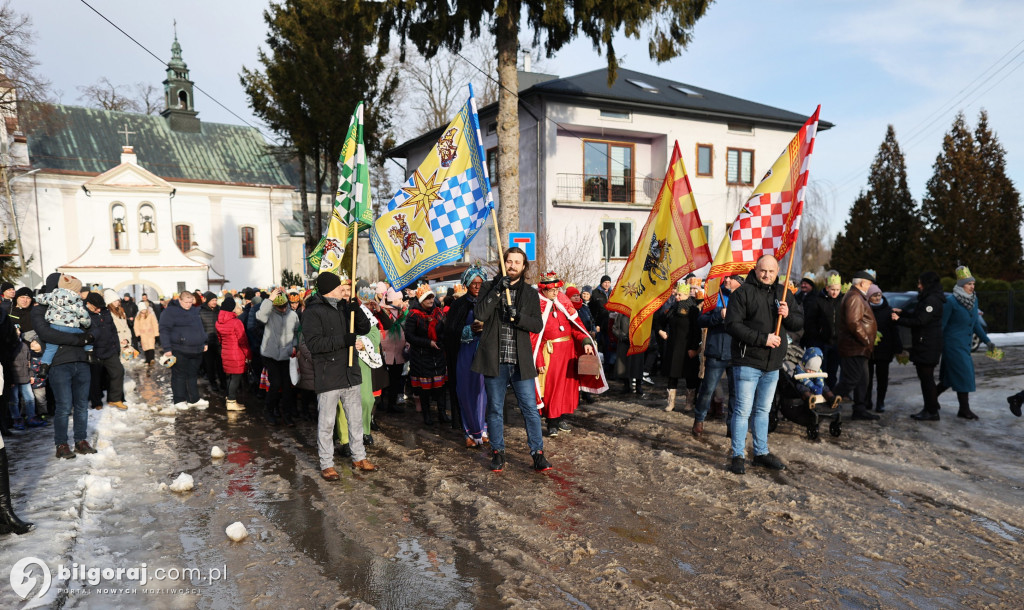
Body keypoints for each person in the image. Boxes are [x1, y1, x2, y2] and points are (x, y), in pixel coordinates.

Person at [472, 247, 550, 472]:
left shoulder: (530, 293)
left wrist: (519, 318)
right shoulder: (488, 287)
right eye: (509, 261)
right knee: (495, 409)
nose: (513, 265)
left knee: (530, 409)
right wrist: (498, 290)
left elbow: (537, 324)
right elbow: (480, 315)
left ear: (524, 266)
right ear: (503, 263)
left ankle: (538, 453)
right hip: (495, 360)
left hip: (520, 362)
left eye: (518, 262)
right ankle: (497, 452)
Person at [724, 255, 802, 475]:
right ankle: (738, 455)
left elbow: (798, 322)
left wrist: (787, 315)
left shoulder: (783, 292)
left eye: (771, 271)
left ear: (777, 271)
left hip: (773, 364)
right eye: (762, 271)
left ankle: (760, 453)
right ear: (755, 269)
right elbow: (732, 325)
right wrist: (762, 339)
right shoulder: (743, 293)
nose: (767, 275)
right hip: (748, 360)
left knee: (763, 411)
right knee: (742, 410)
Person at [303, 271, 375, 481]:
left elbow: (364, 327)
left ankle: (359, 457)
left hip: (350, 372)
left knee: (355, 420)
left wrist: (357, 310)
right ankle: (327, 464)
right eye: (340, 288)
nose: (344, 291)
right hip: (328, 375)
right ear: (330, 290)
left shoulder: (345, 307)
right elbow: (315, 344)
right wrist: (344, 340)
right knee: (326, 423)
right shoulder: (312, 312)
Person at [32, 273, 96, 458]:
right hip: (59, 363)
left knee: (82, 405)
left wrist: (88, 337)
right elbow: (46, 334)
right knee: (64, 406)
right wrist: (79, 339)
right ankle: (61, 444)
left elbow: (90, 327)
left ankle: (81, 441)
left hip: (81, 361)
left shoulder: (76, 302)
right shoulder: (41, 308)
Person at [533, 273, 604, 438]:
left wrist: (586, 341)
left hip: (568, 352)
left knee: (567, 388)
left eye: (557, 288)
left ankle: (562, 416)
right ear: (543, 289)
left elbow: (575, 328)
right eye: (552, 289)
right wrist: (539, 358)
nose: (555, 292)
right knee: (551, 389)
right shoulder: (537, 306)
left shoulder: (563, 301)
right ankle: (552, 421)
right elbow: (535, 337)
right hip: (550, 353)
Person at [935, 266, 995, 421]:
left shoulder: (974, 301)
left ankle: (931, 398)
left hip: (964, 345)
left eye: (973, 284)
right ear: (961, 285)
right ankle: (964, 409)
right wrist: (937, 344)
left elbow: (975, 324)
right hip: (952, 345)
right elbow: (942, 325)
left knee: (949, 378)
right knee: (964, 375)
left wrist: (987, 342)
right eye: (969, 284)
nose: (972, 287)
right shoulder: (951, 301)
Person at [444, 265, 489, 447]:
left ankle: (483, 429)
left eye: (480, 283)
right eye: (473, 283)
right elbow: (449, 332)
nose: (477, 287)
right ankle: (469, 432)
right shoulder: (458, 305)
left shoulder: (489, 303)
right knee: (465, 391)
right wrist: (469, 330)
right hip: (464, 352)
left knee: (482, 391)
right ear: (467, 284)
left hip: (484, 352)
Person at [693, 274, 742, 437]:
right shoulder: (714, 297)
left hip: (738, 354)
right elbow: (701, 320)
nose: (726, 280)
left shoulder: (745, 298)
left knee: (736, 394)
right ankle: (699, 420)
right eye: (725, 277)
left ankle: (732, 426)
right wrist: (718, 316)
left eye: (731, 278)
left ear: (740, 281)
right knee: (707, 389)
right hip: (716, 352)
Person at [893, 271, 945, 421]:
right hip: (926, 344)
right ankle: (930, 408)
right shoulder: (929, 298)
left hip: (928, 345)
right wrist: (903, 313)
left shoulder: (932, 300)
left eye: (920, 282)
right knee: (925, 378)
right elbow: (917, 314)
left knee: (927, 379)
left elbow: (920, 321)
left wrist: (898, 320)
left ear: (927, 284)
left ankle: (932, 410)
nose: (918, 285)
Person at [833, 271, 880, 421]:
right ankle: (828, 400)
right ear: (861, 283)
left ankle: (859, 409)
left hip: (859, 348)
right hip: (855, 347)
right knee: (851, 379)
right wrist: (866, 339)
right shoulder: (855, 297)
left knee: (862, 380)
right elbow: (853, 323)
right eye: (869, 283)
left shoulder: (857, 296)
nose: (870, 286)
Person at [405, 284, 449, 425]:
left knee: (441, 387)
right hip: (422, 356)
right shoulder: (413, 315)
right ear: (421, 300)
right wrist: (427, 342)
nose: (430, 301)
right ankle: (427, 415)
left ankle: (442, 413)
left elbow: (443, 330)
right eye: (427, 298)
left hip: (438, 355)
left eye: (431, 297)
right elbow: (410, 336)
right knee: (425, 390)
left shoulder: (438, 312)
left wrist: (441, 341)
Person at [158, 290, 209, 409]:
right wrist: (167, 349)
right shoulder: (170, 312)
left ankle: (193, 399)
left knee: (192, 375)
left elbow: (200, 328)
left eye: (191, 302)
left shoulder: (194, 311)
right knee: (179, 375)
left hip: (196, 349)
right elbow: (164, 330)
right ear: (180, 300)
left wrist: (204, 341)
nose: (188, 305)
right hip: (178, 348)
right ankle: (179, 400)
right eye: (186, 302)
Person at [257, 288, 300, 425]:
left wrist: (294, 346)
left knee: (287, 387)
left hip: (287, 355)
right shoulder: (269, 313)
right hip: (270, 355)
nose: (282, 309)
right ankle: (269, 410)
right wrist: (269, 299)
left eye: (284, 306)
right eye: (279, 306)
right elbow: (260, 316)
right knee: (275, 384)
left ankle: (287, 415)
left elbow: (296, 333)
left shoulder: (293, 315)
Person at [656, 281, 701, 414]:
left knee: (690, 377)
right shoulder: (673, 308)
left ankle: (689, 403)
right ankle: (671, 403)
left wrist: (694, 348)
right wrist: (660, 331)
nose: (677, 297)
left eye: (679, 295)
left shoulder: (693, 310)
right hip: (673, 348)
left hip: (688, 348)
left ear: (687, 295)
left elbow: (696, 331)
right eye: (676, 294)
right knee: (672, 376)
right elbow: (659, 322)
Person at [33, 275, 92, 375]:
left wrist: (36, 298)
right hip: (71, 327)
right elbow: (83, 314)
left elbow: (41, 298)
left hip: (55, 326)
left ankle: (44, 367)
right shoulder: (76, 299)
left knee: (50, 348)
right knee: (86, 338)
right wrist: (86, 324)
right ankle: (90, 354)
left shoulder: (53, 295)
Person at [85, 292, 127, 411]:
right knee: (95, 379)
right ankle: (96, 402)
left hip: (110, 349)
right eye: (96, 307)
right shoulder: (83, 314)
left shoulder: (105, 312)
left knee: (118, 371)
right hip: (94, 352)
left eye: (100, 307)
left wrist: (116, 347)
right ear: (88, 304)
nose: (98, 310)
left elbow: (113, 330)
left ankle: (115, 398)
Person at [801, 271, 843, 386]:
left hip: (836, 342)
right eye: (832, 289)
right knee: (821, 370)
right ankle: (821, 391)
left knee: (833, 370)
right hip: (822, 342)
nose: (835, 292)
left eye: (837, 290)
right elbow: (810, 321)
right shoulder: (818, 300)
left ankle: (831, 394)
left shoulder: (842, 300)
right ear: (827, 288)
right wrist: (817, 335)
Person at [866, 284, 901, 412]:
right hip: (868, 349)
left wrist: (898, 348)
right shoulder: (865, 309)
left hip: (884, 349)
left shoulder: (888, 310)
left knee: (882, 378)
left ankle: (880, 402)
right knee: (867, 378)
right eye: (874, 295)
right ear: (868, 297)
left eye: (879, 295)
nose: (877, 297)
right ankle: (867, 401)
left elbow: (894, 330)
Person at [216, 294, 250, 412]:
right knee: (236, 378)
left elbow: (220, 339)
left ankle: (229, 399)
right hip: (237, 354)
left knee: (230, 377)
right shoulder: (236, 322)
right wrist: (248, 355)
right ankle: (231, 401)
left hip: (225, 352)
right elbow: (243, 341)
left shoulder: (218, 322)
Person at [378, 288, 409, 414]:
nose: (402, 301)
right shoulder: (383, 312)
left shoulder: (403, 312)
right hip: (386, 351)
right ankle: (380, 402)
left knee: (396, 378)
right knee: (384, 378)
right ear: (392, 299)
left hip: (399, 351)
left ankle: (392, 403)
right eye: (399, 298)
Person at [199, 291, 226, 393]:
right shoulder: (201, 312)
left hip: (219, 342)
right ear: (208, 301)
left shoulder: (219, 310)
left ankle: (223, 383)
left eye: (216, 300)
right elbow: (199, 328)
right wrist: (202, 341)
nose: (215, 302)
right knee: (209, 365)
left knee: (221, 364)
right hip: (207, 342)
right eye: (212, 300)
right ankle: (213, 383)